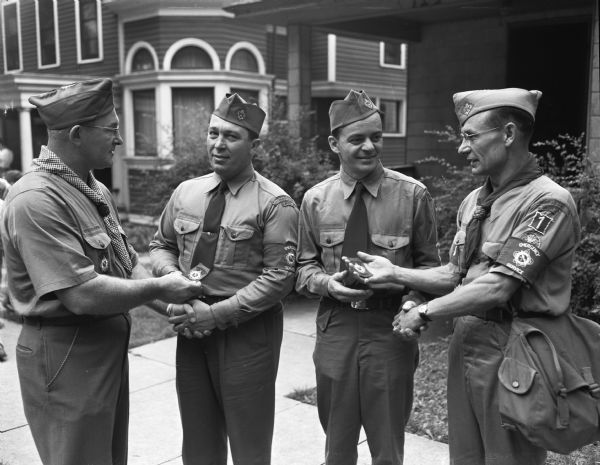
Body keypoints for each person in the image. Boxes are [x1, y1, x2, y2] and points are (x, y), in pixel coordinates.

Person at [351, 88, 581, 465]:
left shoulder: (547, 202)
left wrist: (425, 313)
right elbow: (455, 274)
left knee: (510, 458)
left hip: (516, 348)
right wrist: (395, 272)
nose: (462, 148)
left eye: (471, 136)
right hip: (467, 342)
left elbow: (498, 285)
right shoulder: (474, 201)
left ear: (507, 135)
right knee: (466, 456)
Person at [0, 78, 203, 465]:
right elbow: (81, 294)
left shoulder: (93, 189)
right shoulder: (35, 200)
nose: (120, 140)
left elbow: (128, 266)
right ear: (76, 135)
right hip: (65, 358)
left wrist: (173, 308)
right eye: (111, 130)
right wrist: (163, 285)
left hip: (101, 354)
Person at [149, 93, 299, 465]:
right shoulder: (187, 192)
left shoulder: (275, 205)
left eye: (231, 136)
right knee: (198, 442)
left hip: (247, 333)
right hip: (191, 329)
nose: (218, 143)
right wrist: (175, 284)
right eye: (213, 133)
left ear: (253, 144)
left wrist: (214, 315)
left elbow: (280, 277)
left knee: (249, 444)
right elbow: (161, 244)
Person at [295, 89, 439, 465]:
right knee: (338, 444)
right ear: (334, 143)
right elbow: (302, 268)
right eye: (357, 139)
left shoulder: (413, 196)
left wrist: (411, 301)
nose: (369, 147)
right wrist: (327, 284)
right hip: (336, 327)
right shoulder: (315, 200)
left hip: (389, 329)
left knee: (388, 445)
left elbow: (431, 269)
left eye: (376, 137)